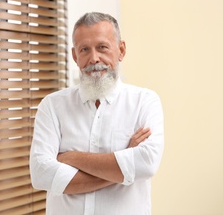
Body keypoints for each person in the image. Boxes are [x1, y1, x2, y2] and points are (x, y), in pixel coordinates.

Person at [29, 12, 164, 215]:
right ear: (75, 56)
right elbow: (41, 174)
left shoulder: (145, 101)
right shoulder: (52, 106)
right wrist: (122, 167)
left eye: (102, 47)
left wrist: (71, 158)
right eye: (84, 50)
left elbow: (146, 163)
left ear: (121, 50)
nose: (94, 59)